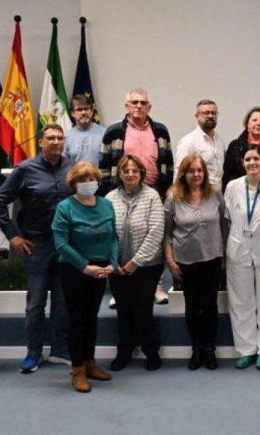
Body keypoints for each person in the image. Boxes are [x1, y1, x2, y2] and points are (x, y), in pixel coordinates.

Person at [0, 123, 74, 373]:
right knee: (35, 302)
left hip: (66, 246)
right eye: (50, 138)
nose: (56, 142)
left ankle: (59, 347)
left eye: (60, 138)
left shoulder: (72, 167)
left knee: (62, 301)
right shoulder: (25, 170)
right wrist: (13, 236)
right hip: (36, 246)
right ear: (40, 142)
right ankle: (34, 352)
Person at [51, 161, 119, 392]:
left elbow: (113, 238)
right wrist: (84, 266)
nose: (88, 183)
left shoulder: (107, 205)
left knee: (92, 318)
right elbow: (60, 243)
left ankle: (90, 363)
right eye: (82, 180)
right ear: (74, 183)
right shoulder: (65, 207)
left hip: (100, 270)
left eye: (92, 179)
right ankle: (77, 369)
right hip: (74, 270)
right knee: (77, 320)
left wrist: (112, 262)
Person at [163, 155, 229, 371]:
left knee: (210, 306)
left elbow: (223, 226)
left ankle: (209, 349)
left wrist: (224, 256)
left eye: (200, 170)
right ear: (184, 173)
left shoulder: (215, 194)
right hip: (184, 261)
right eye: (191, 171)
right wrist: (170, 260)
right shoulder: (173, 197)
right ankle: (197, 349)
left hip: (212, 258)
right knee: (192, 307)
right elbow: (167, 234)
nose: (196, 174)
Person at [224, 146, 260, 370]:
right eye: (248, 159)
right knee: (241, 301)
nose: (252, 163)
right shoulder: (232, 186)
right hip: (238, 248)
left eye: (255, 159)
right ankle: (246, 349)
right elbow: (227, 217)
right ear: (242, 163)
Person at [105, 155, 165, 372]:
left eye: (134, 171)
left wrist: (135, 262)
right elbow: (107, 232)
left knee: (143, 310)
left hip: (147, 266)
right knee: (123, 310)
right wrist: (114, 262)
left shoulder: (152, 196)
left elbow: (156, 231)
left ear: (141, 174)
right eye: (126, 171)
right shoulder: (110, 198)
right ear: (119, 174)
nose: (130, 174)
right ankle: (124, 351)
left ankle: (151, 351)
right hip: (117, 267)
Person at [99, 88, 173, 197]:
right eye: (134, 102)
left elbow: (169, 164)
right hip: (121, 191)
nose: (139, 106)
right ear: (126, 106)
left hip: (155, 191)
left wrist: (166, 188)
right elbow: (103, 167)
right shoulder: (113, 131)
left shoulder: (161, 131)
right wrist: (107, 192)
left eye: (143, 103)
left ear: (149, 108)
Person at [174, 99, 225, 190]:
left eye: (214, 113)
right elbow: (180, 172)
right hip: (197, 196)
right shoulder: (189, 141)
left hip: (217, 196)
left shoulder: (219, 141)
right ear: (197, 116)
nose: (210, 116)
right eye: (206, 113)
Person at [64, 94, 106, 165]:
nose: (83, 112)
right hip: (76, 176)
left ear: (92, 111)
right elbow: (64, 166)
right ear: (73, 113)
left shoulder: (105, 133)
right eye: (79, 109)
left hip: (100, 176)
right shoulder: (66, 137)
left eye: (86, 109)